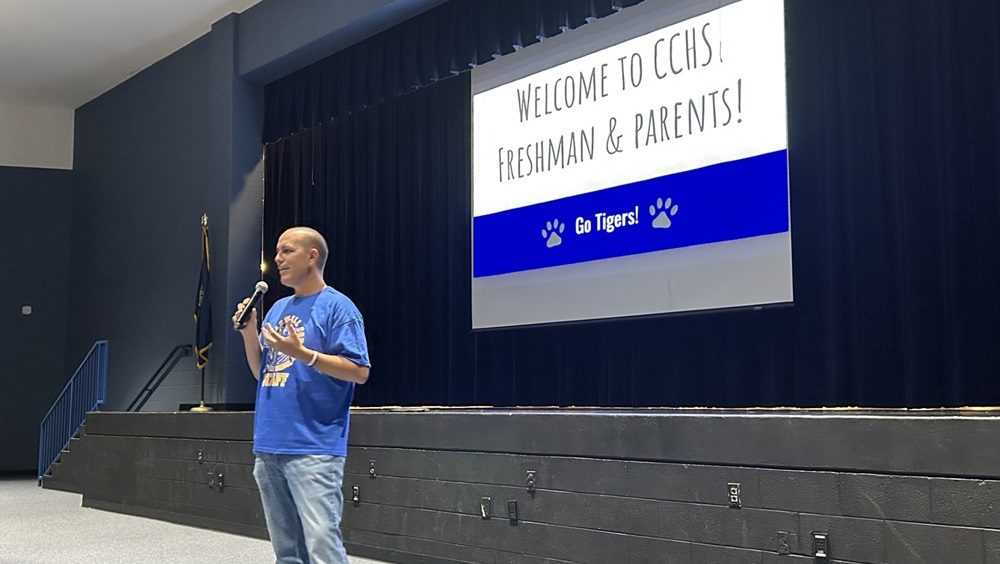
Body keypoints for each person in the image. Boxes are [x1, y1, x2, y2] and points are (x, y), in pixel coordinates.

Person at [233, 226, 370, 564]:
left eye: (287, 250)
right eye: (277, 252)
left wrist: (305, 354)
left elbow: (359, 371)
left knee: (323, 547)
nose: (277, 259)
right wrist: (249, 332)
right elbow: (261, 371)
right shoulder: (278, 308)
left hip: (313, 449)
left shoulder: (338, 307)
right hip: (268, 447)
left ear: (312, 256)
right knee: (288, 553)